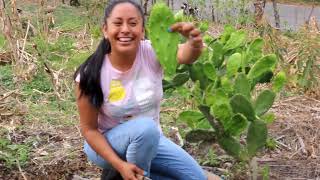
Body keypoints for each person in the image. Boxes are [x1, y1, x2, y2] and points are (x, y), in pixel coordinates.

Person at [74, 0, 218, 179]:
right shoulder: (91, 73)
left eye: (133, 23)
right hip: (107, 145)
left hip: (150, 140)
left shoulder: (150, 52)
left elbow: (184, 55)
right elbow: (89, 130)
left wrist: (195, 43)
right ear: (105, 30)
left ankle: (133, 174)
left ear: (142, 31)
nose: (125, 29)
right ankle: (130, 174)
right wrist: (120, 165)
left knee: (197, 177)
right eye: (118, 23)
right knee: (145, 128)